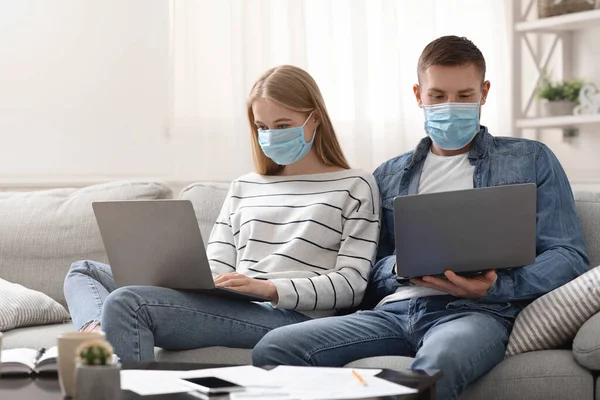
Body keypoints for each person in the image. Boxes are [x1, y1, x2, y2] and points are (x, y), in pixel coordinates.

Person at [251, 36, 589, 400]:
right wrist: (400, 267)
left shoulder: (530, 159)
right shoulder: (388, 176)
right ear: (418, 95)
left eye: (464, 96)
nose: (450, 106)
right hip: (393, 312)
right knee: (275, 347)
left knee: (438, 363)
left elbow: (568, 256)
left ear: (484, 92)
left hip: (474, 312)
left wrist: (495, 287)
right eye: (438, 96)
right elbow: (365, 269)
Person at [63, 65, 380, 362]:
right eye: (261, 127)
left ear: (315, 119)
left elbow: (352, 285)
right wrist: (193, 279)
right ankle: (97, 338)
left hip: (290, 317)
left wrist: (269, 289)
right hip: (233, 304)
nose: (270, 135)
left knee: (127, 301)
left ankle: (102, 361)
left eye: (283, 126)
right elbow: (218, 264)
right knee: (85, 270)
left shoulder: (355, 185)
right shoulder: (244, 186)